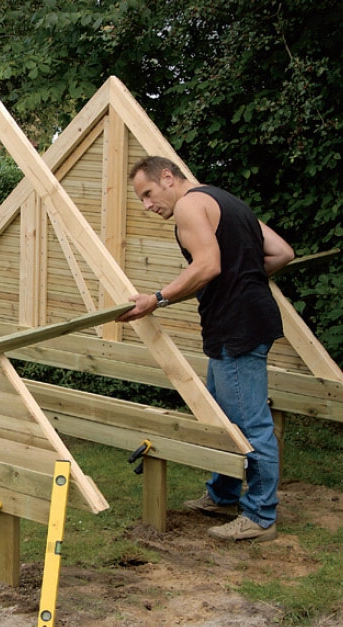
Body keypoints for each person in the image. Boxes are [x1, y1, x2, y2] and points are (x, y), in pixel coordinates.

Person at [118, 156, 295, 542]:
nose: (147, 205)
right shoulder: (225, 201)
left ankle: (261, 516)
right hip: (246, 320)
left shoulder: (188, 206)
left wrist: (156, 299)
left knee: (250, 423)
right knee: (220, 417)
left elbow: (208, 265)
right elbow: (282, 253)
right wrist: (241, 275)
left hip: (236, 326)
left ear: (168, 177)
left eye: (148, 193)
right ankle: (223, 495)